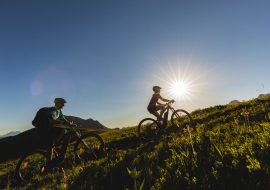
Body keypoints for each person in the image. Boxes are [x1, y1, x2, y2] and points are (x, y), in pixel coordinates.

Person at [32, 98, 72, 171]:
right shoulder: (52, 110)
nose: (64, 105)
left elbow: (63, 119)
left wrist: (68, 123)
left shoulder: (59, 111)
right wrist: (62, 123)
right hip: (43, 129)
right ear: (58, 103)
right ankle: (49, 164)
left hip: (49, 128)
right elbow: (51, 121)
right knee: (50, 146)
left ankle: (56, 145)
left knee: (64, 130)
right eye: (62, 103)